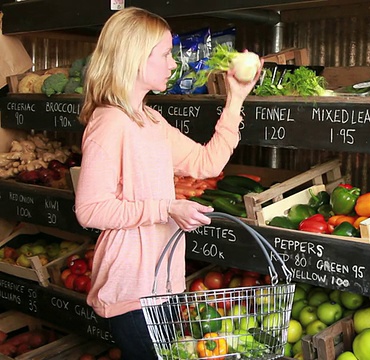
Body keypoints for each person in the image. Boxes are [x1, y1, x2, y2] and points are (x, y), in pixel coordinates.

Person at [74, 7, 261, 359]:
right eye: (164, 54)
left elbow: (207, 163)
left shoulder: (151, 121)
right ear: (134, 58)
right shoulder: (109, 123)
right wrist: (166, 208)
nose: (173, 64)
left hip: (162, 283)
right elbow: (89, 210)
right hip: (131, 287)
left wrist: (235, 97)